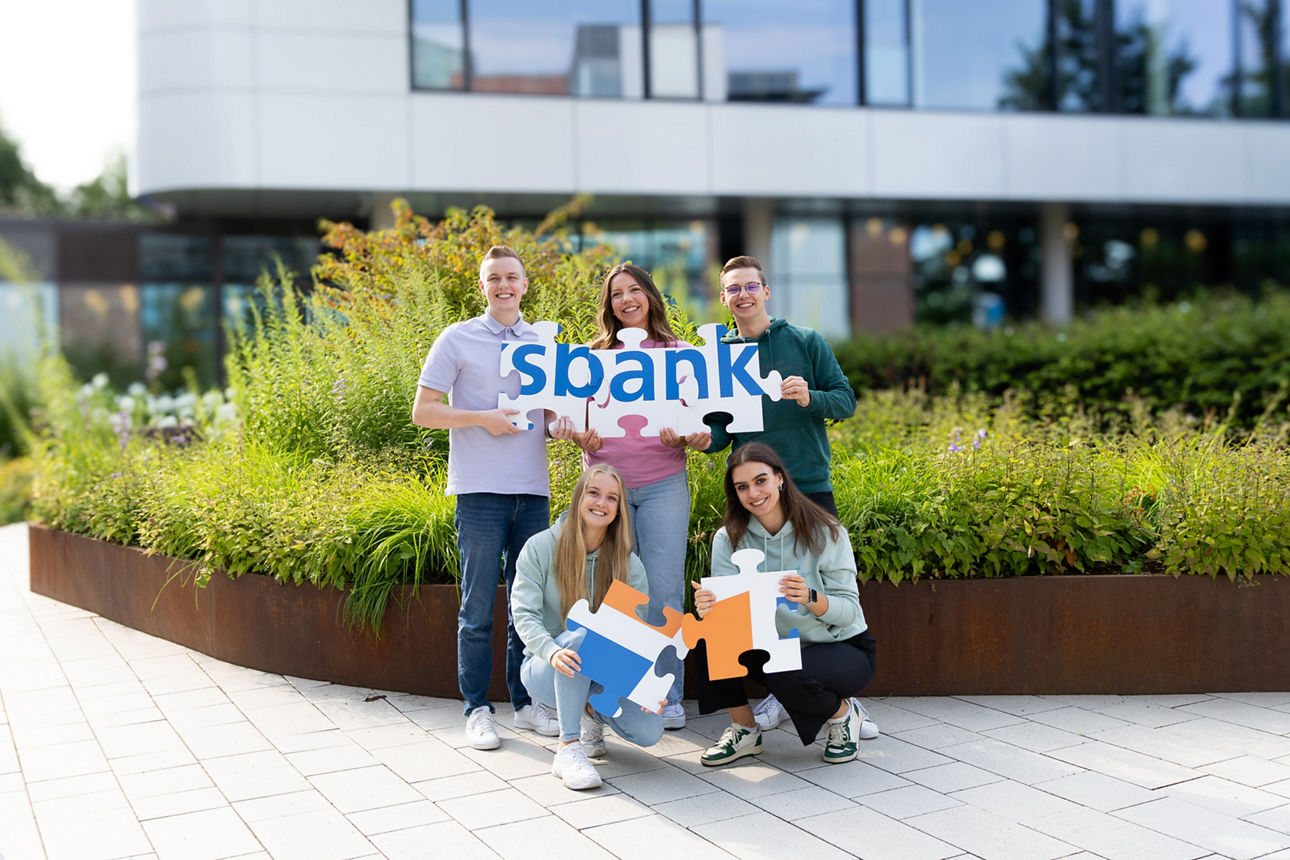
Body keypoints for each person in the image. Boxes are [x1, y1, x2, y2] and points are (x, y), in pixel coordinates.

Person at [704, 254, 866, 734]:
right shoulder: (720, 356)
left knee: (823, 586)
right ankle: (785, 691)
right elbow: (718, 433)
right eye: (732, 289)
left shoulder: (806, 341)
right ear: (723, 298)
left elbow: (846, 400)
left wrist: (809, 397)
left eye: (750, 286)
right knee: (761, 597)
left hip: (809, 485)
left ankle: (838, 697)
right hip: (754, 494)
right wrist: (696, 439)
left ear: (766, 291)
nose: (743, 295)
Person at [412, 245, 562, 749]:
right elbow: (423, 411)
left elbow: (553, 411)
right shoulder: (457, 339)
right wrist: (482, 418)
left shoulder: (544, 342)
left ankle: (524, 704)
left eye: (512, 278)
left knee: (529, 605)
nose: (504, 285)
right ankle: (477, 708)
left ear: (525, 285)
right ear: (483, 286)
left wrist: (562, 423)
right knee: (477, 608)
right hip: (478, 492)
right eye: (494, 278)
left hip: (532, 492)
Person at [555, 263, 708, 730]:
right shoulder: (588, 360)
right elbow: (567, 421)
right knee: (613, 592)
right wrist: (579, 438)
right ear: (609, 305)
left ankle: (668, 693)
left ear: (650, 297)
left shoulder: (681, 355)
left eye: (634, 290)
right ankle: (611, 690)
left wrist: (693, 437)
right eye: (616, 293)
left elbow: (702, 424)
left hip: (663, 485)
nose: (626, 300)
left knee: (663, 590)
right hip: (607, 492)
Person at [692, 443, 877, 767]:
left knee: (785, 675)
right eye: (742, 487)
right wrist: (710, 607)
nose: (753, 493)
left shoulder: (826, 532)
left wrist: (810, 598)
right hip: (773, 644)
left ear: (780, 479)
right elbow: (729, 618)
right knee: (705, 636)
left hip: (840, 645)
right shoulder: (728, 538)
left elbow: (848, 611)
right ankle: (744, 730)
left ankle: (844, 715)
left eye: (761, 480)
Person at [511, 464, 665, 790]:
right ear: (579, 497)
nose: (601, 503)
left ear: (619, 508)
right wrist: (551, 651)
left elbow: (635, 635)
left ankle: (591, 715)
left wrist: (646, 686)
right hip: (546, 666)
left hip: (602, 673)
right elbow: (523, 614)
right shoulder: (539, 548)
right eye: (594, 493)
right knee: (578, 639)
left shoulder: (628, 563)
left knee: (650, 731)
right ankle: (568, 747)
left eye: (612, 497)